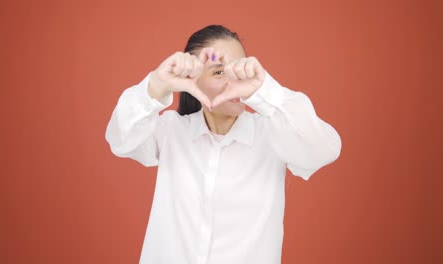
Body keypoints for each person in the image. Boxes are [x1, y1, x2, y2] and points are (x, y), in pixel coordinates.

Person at [105, 25, 342, 264]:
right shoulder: (171, 131)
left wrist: (267, 91)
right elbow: (120, 139)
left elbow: (324, 150)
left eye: (238, 69)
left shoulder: (272, 133)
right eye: (218, 72)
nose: (233, 81)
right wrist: (157, 83)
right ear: (192, 81)